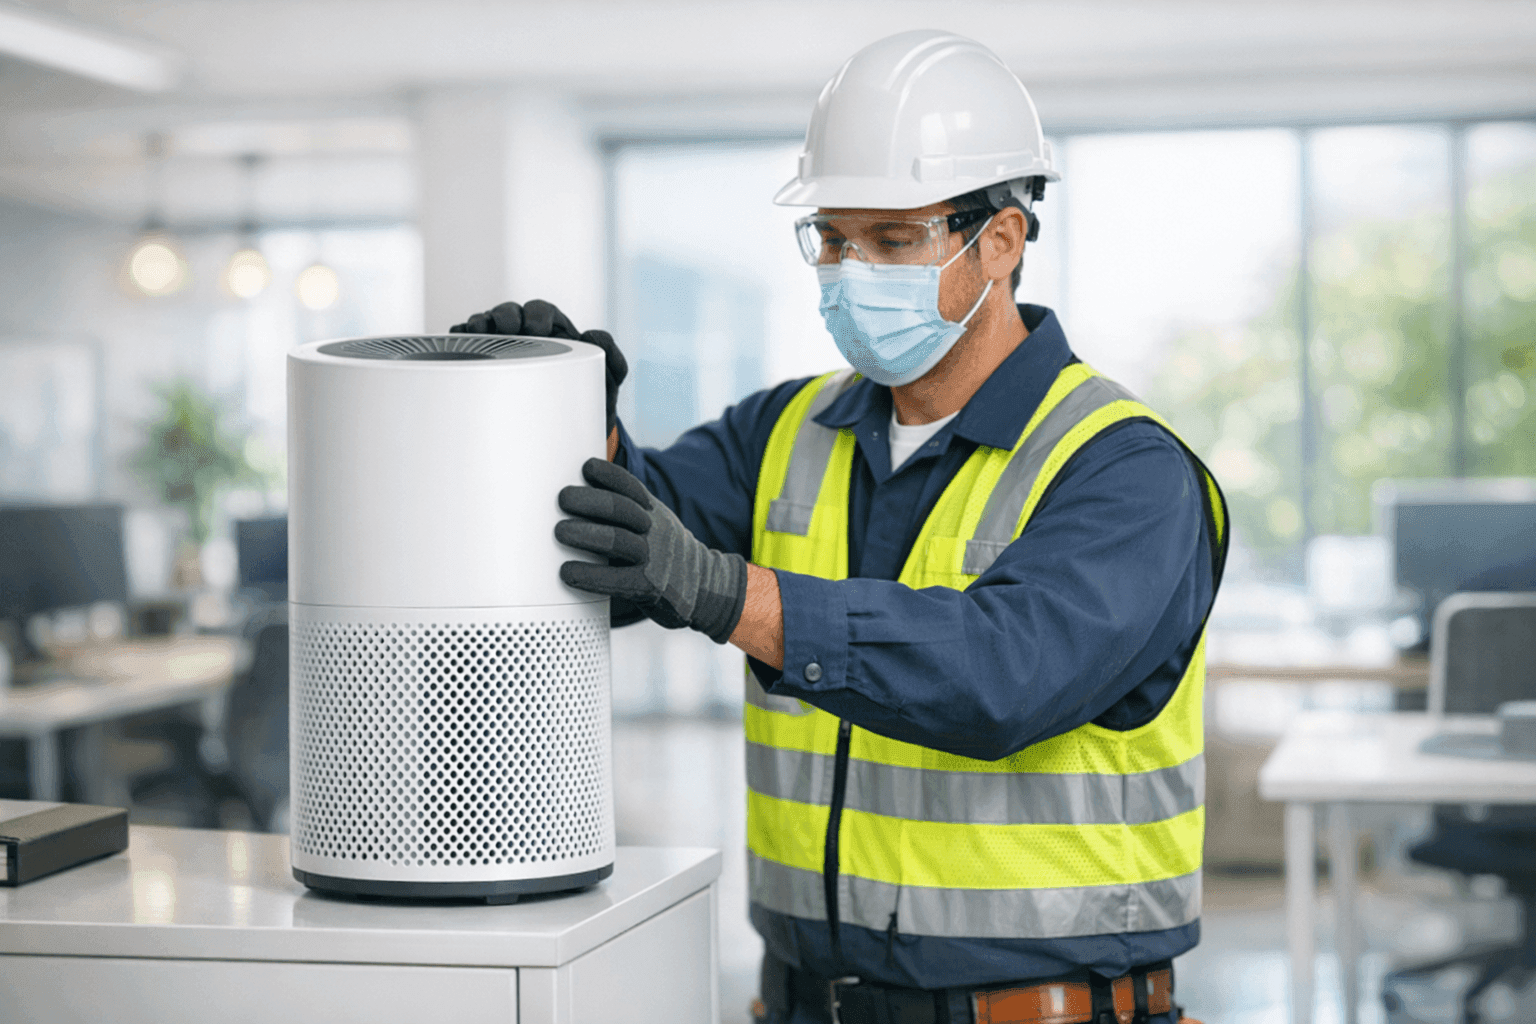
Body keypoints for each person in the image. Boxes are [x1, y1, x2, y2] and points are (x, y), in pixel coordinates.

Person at [453, 29, 1225, 1024]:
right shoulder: (783, 431)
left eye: (892, 240)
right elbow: (626, 546)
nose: (851, 270)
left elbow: (1002, 674)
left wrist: (733, 594)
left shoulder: (1124, 468)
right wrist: (557, 421)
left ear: (1003, 239)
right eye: (831, 236)